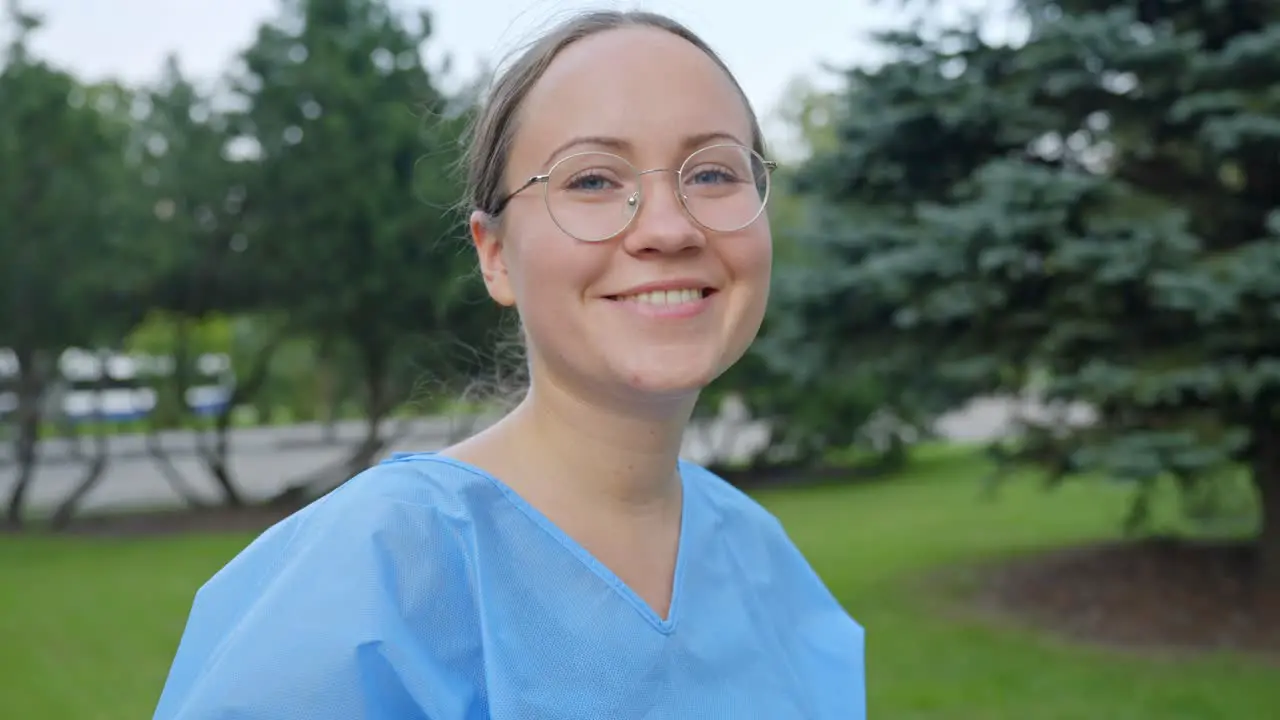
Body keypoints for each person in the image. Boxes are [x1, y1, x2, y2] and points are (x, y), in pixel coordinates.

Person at [151, 10, 866, 719]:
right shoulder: (377, 573)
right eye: (591, 181)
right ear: (494, 255)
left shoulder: (762, 562)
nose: (669, 228)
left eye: (711, 172)